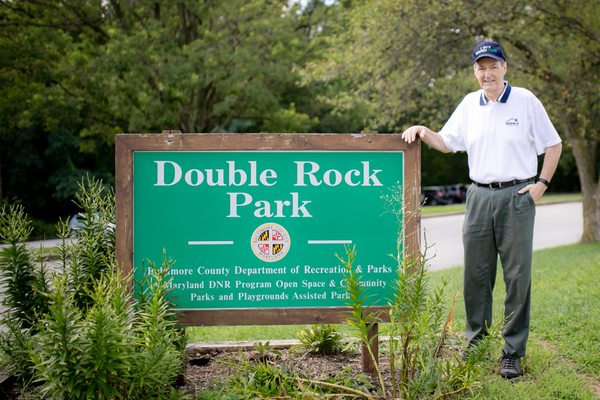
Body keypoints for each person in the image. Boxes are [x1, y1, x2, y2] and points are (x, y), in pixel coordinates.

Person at [401, 40, 562, 379]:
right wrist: (424, 131)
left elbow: (553, 143)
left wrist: (542, 184)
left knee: (517, 277)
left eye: (493, 65)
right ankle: (475, 344)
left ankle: (512, 353)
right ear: (474, 71)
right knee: (475, 276)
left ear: (505, 67)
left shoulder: (525, 100)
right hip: (477, 196)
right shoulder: (468, 105)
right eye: (480, 67)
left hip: (517, 195)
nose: (487, 73)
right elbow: (447, 142)